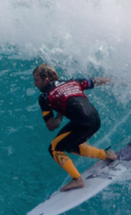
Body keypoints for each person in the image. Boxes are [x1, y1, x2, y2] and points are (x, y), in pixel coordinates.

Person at [33, 63, 117, 191]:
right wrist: (120, 81)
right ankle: (107, 155)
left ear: (46, 79)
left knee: (54, 148)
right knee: (71, 145)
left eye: (36, 79)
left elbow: (51, 126)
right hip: (95, 119)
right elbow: (98, 80)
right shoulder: (72, 82)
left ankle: (77, 179)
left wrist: (59, 116)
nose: (35, 84)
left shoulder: (45, 96)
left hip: (82, 121)